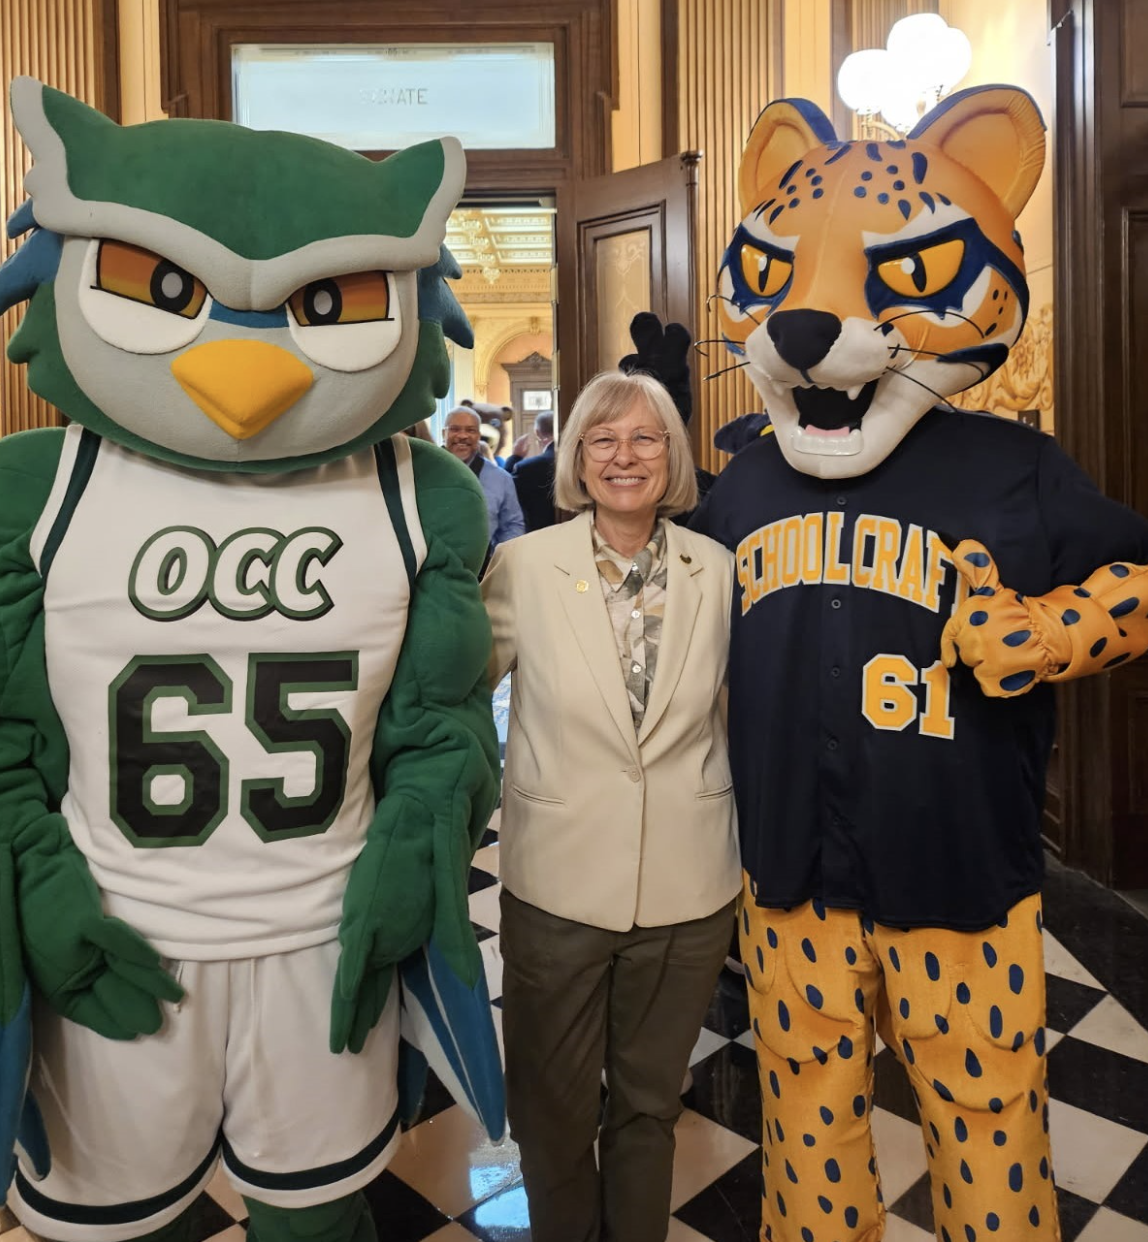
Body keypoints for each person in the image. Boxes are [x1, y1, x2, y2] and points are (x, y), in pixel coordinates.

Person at [692, 88, 1148, 1242]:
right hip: (789, 871)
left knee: (986, 1127)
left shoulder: (1012, 467)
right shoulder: (744, 482)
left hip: (957, 873)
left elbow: (1138, 581)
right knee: (804, 1122)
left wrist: (1049, 634)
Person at [482, 370, 740, 1242]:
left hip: (687, 886)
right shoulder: (525, 566)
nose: (623, 456)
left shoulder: (719, 569)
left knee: (648, 1107)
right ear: (578, 458)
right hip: (557, 884)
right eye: (602, 439)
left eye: (644, 438)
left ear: (672, 455)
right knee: (550, 1112)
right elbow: (456, 696)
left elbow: (739, 713)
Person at [443, 406, 525, 550]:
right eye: (455, 429)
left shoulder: (501, 479)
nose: (462, 436)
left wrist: (497, 557)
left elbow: (512, 525)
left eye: (470, 430)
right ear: (444, 433)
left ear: (479, 436)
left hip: (484, 562)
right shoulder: (423, 472)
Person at [510, 411, 557, 531]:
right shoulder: (580, 460)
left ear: (537, 432)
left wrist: (515, 457)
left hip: (538, 535)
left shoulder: (526, 468)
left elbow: (505, 492)